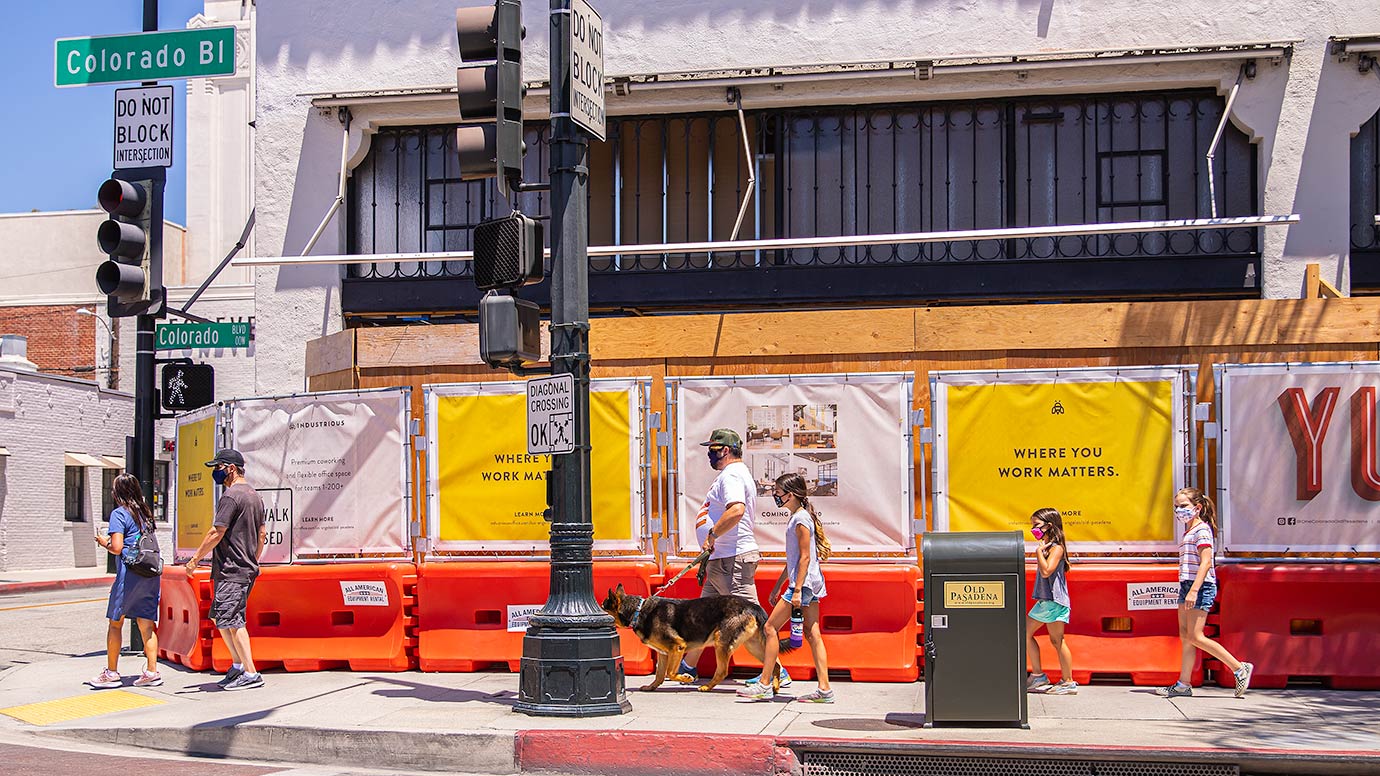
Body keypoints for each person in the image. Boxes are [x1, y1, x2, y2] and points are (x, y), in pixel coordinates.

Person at [675, 428, 789, 688]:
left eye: (712, 450)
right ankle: (687, 667)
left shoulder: (732, 476)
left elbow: (736, 510)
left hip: (732, 559)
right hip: (722, 560)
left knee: (747, 620)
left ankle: (777, 671)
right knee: (702, 618)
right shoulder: (734, 474)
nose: (709, 455)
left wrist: (712, 534)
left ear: (725, 451)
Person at [739, 473, 833, 702]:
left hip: (803, 585)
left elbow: (804, 558)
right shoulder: (800, 517)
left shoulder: (800, 520)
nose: (775, 496)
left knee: (770, 628)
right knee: (813, 634)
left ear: (790, 494)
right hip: (809, 583)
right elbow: (794, 559)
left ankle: (764, 683)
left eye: (778, 492)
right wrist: (779, 586)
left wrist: (797, 589)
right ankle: (824, 689)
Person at [1156, 487, 1253, 699]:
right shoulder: (1190, 531)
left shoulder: (1202, 530)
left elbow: (1206, 561)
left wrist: (1194, 590)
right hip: (1187, 584)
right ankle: (1183, 684)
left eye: (1184, 506)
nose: (1179, 510)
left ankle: (1239, 668)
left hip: (1199, 586)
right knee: (1185, 636)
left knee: (1196, 636)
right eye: (1177, 506)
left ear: (1197, 508)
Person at [185, 448, 267, 691]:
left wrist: (195, 559)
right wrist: (253, 559)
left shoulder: (231, 497)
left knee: (233, 620)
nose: (215, 473)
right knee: (222, 618)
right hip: (241, 568)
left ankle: (251, 673)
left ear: (231, 469)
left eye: (218, 468)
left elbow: (216, 531)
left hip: (233, 569)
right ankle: (238, 666)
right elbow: (262, 533)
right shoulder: (254, 495)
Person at [87, 473, 162, 689]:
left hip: (129, 575)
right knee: (147, 625)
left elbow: (117, 547)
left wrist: (104, 542)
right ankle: (151, 671)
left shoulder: (119, 514)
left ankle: (111, 673)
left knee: (115, 623)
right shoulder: (146, 513)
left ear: (117, 493)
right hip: (149, 573)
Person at [1024, 507, 1077, 696]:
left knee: (1023, 633)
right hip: (1055, 600)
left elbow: (1047, 570)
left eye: (1036, 525)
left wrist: (1038, 553)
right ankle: (1067, 681)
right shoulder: (1052, 547)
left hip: (1051, 601)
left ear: (1049, 526)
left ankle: (1039, 675)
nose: (1033, 529)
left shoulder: (1055, 548)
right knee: (1057, 640)